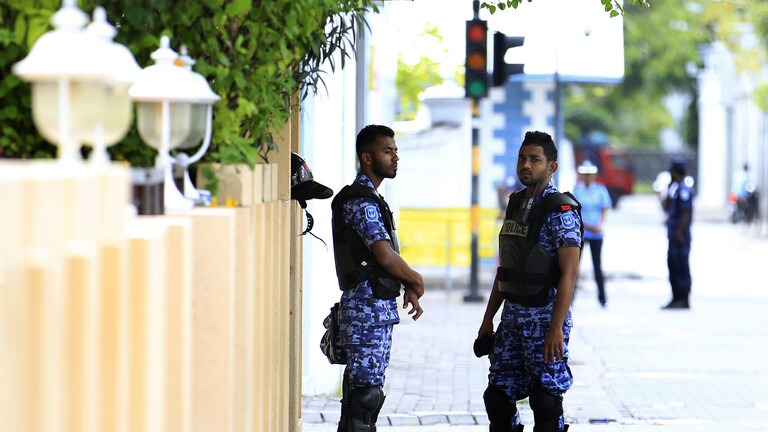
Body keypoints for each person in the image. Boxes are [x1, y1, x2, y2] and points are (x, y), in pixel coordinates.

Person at [476, 131, 583, 432]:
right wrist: (488, 319)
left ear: (551, 167)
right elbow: (506, 269)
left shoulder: (560, 210)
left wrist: (556, 328)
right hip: (512, 319)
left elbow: (569, 273)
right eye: (522, 158)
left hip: (545, 320)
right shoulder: (515, 203)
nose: (526, 165)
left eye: (535, 160)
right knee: (497, 398)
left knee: (545, 401)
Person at [331, 124, 425, 432]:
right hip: (366, 311)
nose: (395, 157)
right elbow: (384, 255)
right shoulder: (362, 202)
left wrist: (405, 282)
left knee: (365, 395)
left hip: (373, 309)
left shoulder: (370, 198)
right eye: (387, 151)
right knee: (364, 397)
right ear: (367, 158)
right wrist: (415, 279)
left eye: (396, 150)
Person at [572, 160, 612, 308]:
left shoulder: (600, 190)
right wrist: (588, 226)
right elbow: (574, 212)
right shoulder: (577, 190)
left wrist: (600, 225)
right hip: (581, 232)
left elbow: (605, 209)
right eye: (585, 174)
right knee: (574, 267)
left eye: (590, 174)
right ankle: (570, 299)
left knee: (597, 266)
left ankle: (602, 298)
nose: (587, 177)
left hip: (596, 233)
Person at [661, 159, 693, 310]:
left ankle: (683, 298)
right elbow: (666, 208)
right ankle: (675, 297)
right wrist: (668, 190)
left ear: (675, 172)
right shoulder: (675, 189)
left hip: (680, 236)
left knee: (681, 266)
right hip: (673, 235)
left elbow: (686, 213)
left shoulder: (684, 190)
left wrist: (680, 232)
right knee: (672, 265)